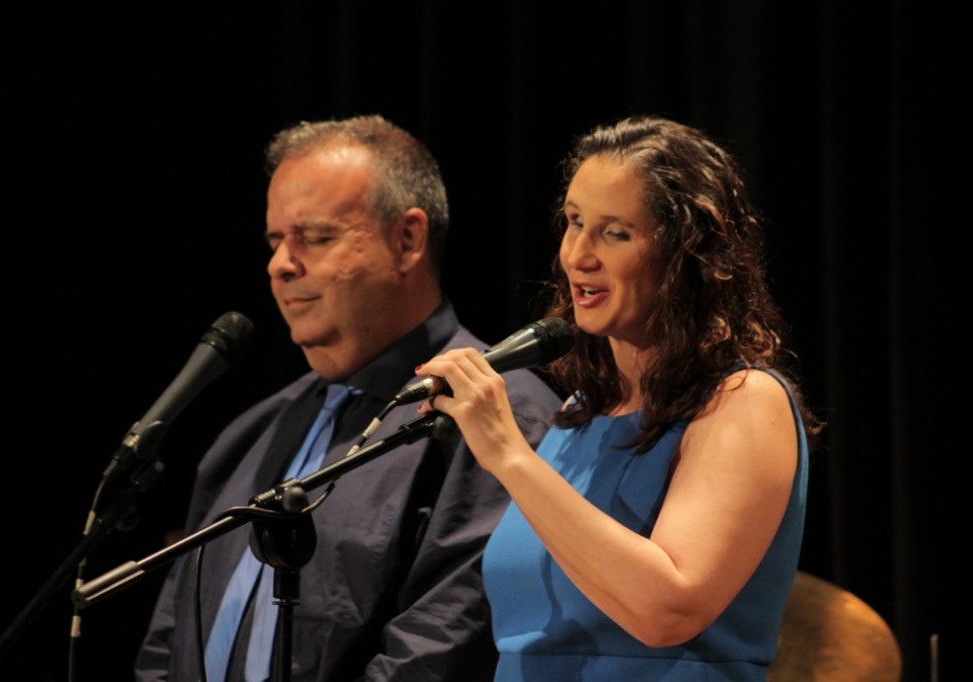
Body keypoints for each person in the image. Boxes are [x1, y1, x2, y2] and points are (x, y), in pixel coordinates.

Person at [134, 114, 561, 682]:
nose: (280, 264)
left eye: (314, 237)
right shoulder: (249, 434)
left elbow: (440, 650)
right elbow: (169, 637)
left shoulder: (497, 419)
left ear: (407, 240)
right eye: (275, 241)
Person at [413, 115, 823, 680]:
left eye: (615, 232)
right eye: (574, 222)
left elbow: (667, 611)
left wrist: (509, 454)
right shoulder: (579, 416)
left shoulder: (744, 401)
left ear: (685, 258)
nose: (578, 254)